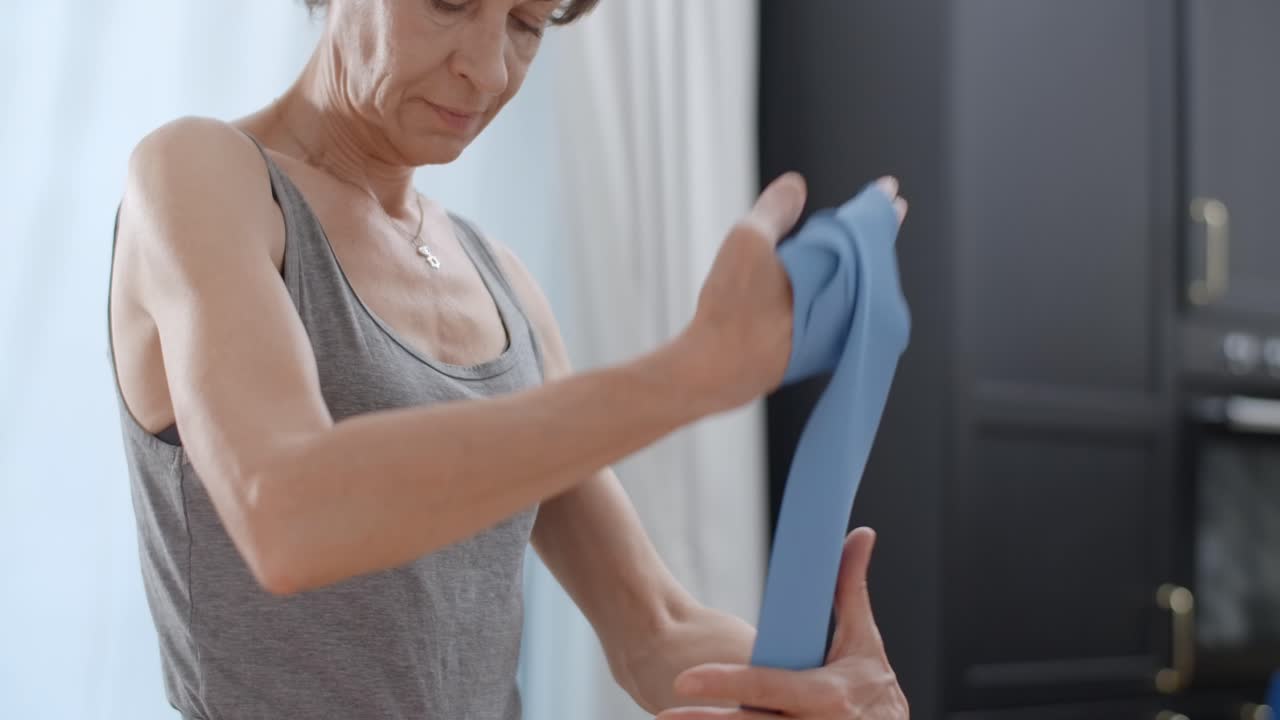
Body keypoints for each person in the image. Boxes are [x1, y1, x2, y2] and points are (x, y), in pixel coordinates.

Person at [107, 0, 911, 717]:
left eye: (528, 24)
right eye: (450, 4)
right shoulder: (202, 175)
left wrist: (818, 686)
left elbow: (656, 630)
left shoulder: (502, 283)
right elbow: (287, 514)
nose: (489, 70)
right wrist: (694, 373)